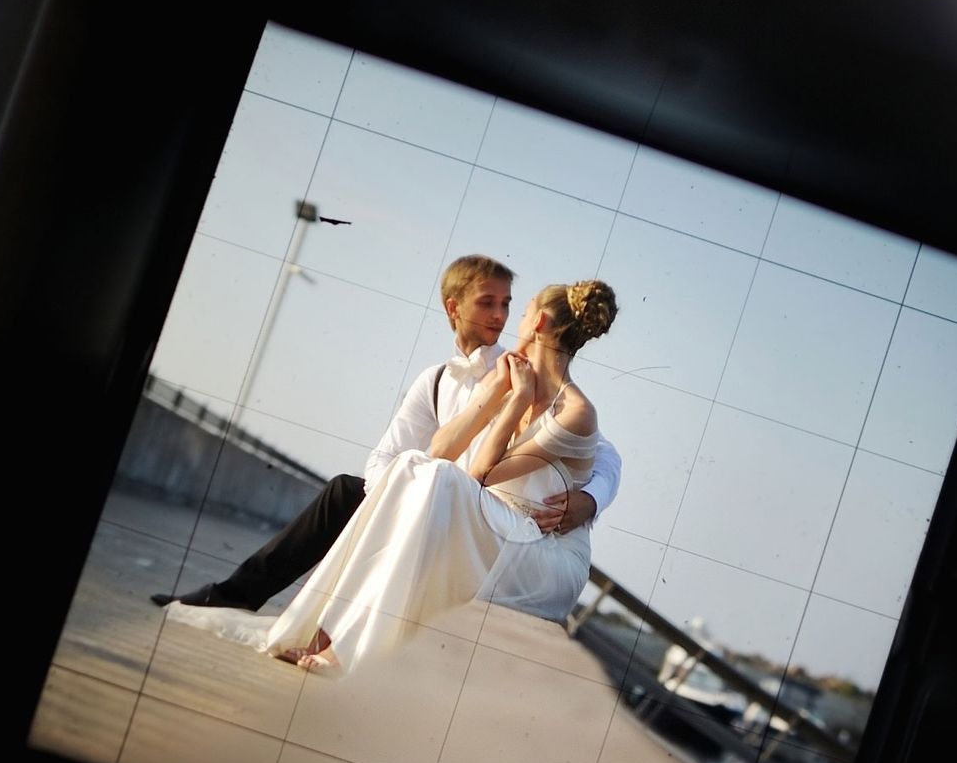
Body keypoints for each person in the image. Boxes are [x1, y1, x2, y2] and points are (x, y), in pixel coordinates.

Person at [164, 280, 619, 672]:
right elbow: (436, 451)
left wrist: (585, 489)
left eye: (517, 312)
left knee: (434, 481)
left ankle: (342, 644)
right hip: (487, 523)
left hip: (541, 552)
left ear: (537, 323)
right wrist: (503, 392)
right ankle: (327, 633)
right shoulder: (489, 377)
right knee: (413, 469)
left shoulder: (575, 411)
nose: (507, 321)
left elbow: (482, 471)